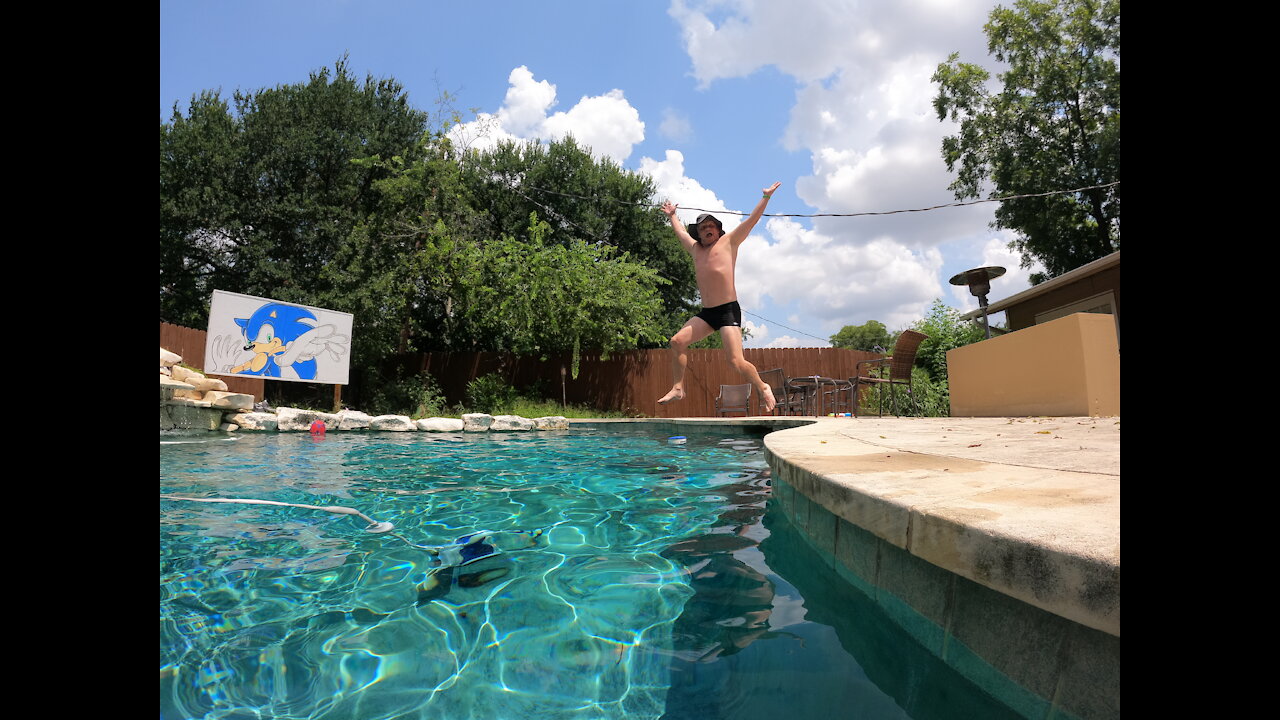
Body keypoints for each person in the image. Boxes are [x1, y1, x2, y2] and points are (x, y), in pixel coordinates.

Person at [658, 182, 782, 412]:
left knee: (735, 362)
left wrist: (765, 198)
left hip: (727, 311)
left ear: (718, 230)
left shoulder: (729, 242)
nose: (708, 229)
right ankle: (678, 387)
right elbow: (680, 233)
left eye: (712, 226)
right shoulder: (696, 249)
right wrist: (672, 216)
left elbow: (751, 221)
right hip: (707, 314)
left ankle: (762, 387)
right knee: (677, 341)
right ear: (699, 232)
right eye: (704, 227)